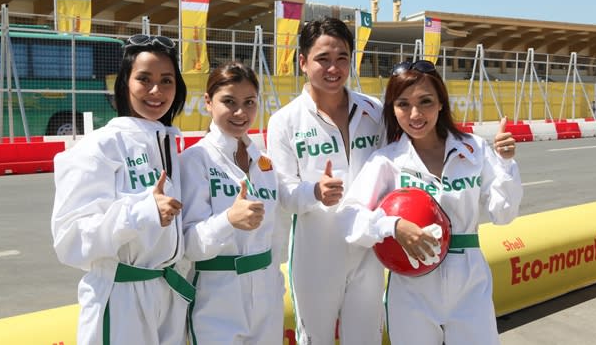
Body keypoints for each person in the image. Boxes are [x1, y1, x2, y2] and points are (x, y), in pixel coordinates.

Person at [337, 59, 523, 345]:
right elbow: (348, 218)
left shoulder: (474, 149)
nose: (415, 114)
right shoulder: (387, 160)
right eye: (403, 104)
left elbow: (503, 214)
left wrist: (507, 165)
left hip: (470, 284)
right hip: (411, 290)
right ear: (393, 109)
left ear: (441, 104)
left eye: (425, 102)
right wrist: (392, 225)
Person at [51, 34, 192, 345]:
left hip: (166, 296)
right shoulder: (99, 146)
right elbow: (70, 238)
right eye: (144, 79)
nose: (157, 91)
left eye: (166, 80)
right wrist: (141, 212)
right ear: (125, 83)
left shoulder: (169, 145)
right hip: (121, 299)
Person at [267, 17, 386, 344]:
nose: (333, 68)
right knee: (315, 339)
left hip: (367, 249)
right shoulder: (284, 122)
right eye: (323, 59)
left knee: (366, 338)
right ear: (303, 61)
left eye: (342, 58)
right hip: (316, 251)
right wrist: (315, 192)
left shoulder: (375, 111)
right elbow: (284, 194)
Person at [180, 62, 285, 344]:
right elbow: (188, 244)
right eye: (229, 102)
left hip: (267, 296)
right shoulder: (194, 160)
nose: (240, 113)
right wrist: (228, 220)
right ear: (208, 103)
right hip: (217, 297)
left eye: (249, 102)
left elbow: (275, 234)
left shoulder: (264, 163)